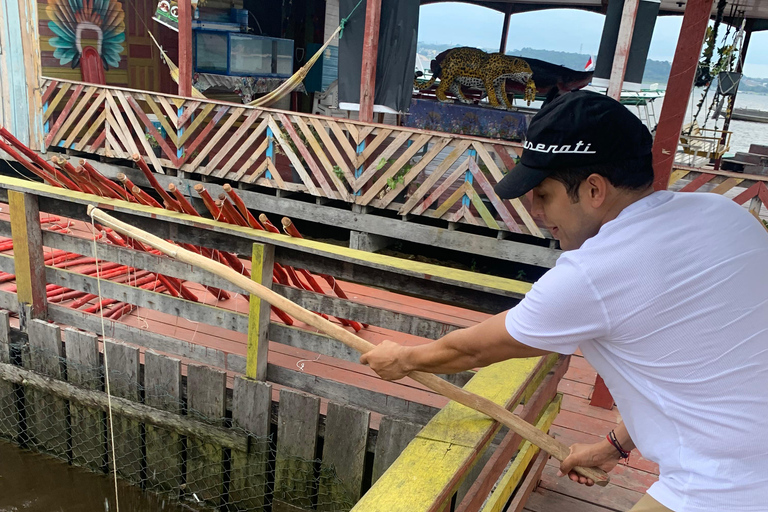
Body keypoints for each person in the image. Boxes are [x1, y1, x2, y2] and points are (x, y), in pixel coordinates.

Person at [360, 90, 768, 512]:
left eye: (544, 194)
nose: (535, 211)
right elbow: (691, 370)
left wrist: (404, 359)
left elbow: (476, 347)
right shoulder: (724, 215)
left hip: (728, 485)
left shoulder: (596, 272)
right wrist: (613, 447)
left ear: (594, 189)